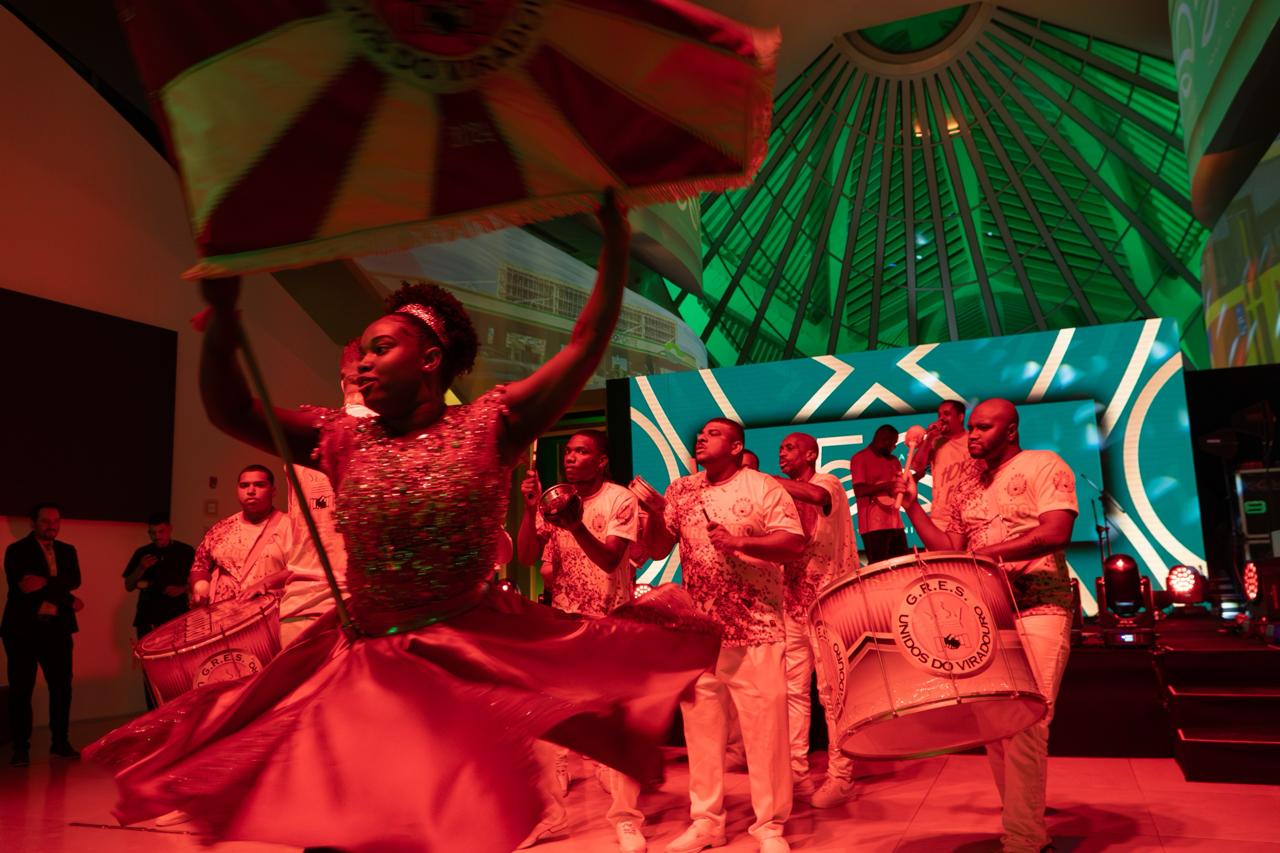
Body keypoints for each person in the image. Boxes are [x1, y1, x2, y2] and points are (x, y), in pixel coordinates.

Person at [86, 193, 721, 853]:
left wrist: (615, 244)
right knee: (338, 827)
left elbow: (585, 343)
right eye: (361, 353)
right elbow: (230, 409)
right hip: (361, 663)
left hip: (460, 666)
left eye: (379, 349)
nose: (361, 363)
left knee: (438, 828)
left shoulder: (491, 425)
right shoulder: (341, 438)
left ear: (430, 359)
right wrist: (223, 322)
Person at [899, 398, 1077, 853]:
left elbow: (1055, 532)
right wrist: (913, 509)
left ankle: (1023, 839)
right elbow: (949, 546)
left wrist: (987, 556)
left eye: (982, 428)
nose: (972, 435)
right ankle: (1023, 831)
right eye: (972, 428)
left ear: (1010, 431)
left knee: (1027, 723)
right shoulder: (964, 481)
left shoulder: (1043, 465)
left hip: (1039, 605)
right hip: (986, 614)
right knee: (997, 728)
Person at [645, 417, 805, 853]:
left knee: (766, 733)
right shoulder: (682, 489)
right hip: (700, 632)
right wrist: (653, 512)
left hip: (757, 627)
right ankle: (706, 821)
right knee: (701, 732)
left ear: (736, 447)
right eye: (700, 433)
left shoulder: (762, 487)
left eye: (713, 434)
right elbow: (659, 548)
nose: (700, 437)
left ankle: (769, 826)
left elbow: (794, 544)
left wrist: (741, 543)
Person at [516, 430, 647, 852]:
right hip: (565, 624)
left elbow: (611, 560)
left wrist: (573, 525)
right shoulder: (554, 500)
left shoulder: (619, 500)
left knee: (617, 728)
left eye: (582, 451)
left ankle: (627, 820)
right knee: (547, 725)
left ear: (602, 460)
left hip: (613, 625)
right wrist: (531, 508)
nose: (571, 458)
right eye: (569, 451)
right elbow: (524, 557)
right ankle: (548, 817)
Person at [773, 432, 858, 807]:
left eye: (790, 448)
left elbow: (816, 498)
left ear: (811, 454)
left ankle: (841, 775)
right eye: (780, 449)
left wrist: (762, 480)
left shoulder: (828, 483)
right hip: (792, 604)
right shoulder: (781, 498)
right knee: (792, 691)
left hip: (829, 604)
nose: (782, 454)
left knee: (831, 693)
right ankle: (794, 768)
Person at [2, 502, 82, 766]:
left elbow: (74, 580)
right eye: (46, 521)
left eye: (56, 520)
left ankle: (60, 742)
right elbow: (24, 586)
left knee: (62, 688)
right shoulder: (16, 551)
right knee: (21, 690)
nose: (52, 526)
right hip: (22, 630)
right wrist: (68, 599)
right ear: (32, 523)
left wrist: (47, 583)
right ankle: (21, 747)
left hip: (57, 630)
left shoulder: (68, 550)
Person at [187, 464, 302, 607]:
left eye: (259, 485)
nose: (251, 491)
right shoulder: (222, 528)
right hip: (221, 617)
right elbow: (200, 565)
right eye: (244, 485)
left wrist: (265, 583)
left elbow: (302, 569)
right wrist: (200, 585)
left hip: (267, 616)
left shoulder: (291, 527)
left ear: (273, 491)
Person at [122, 513, 195, 709]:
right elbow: (129, 584)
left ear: (169, 529)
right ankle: (153, 713)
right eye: (152, 533)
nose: (157, 536)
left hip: (177, 617)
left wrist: (182, 589)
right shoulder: (142, 553)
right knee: (150, 671)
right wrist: (141, 567)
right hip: (148, 618)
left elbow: (201, 579)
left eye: (161, 531)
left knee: (178, 669)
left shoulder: (185, 551)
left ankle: (177, 711)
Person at [848, 425, 908, 564]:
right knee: (879, 568)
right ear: (884, 441)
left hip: (895, 522)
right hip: (873, 526)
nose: (893, 447)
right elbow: (859, 490)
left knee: (903, 566)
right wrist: (886, 486)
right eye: (893, 444)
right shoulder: (860, 458)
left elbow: (898, 488)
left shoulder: (894, 461)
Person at [910, 399, 968, 523]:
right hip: (940, 518)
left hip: (968, 514)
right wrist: (930, 437)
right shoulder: (935, 442)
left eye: (946, 414)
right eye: (939, 415)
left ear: (960, 417)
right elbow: (916, 466)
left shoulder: (972, 441)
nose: (941, 419)